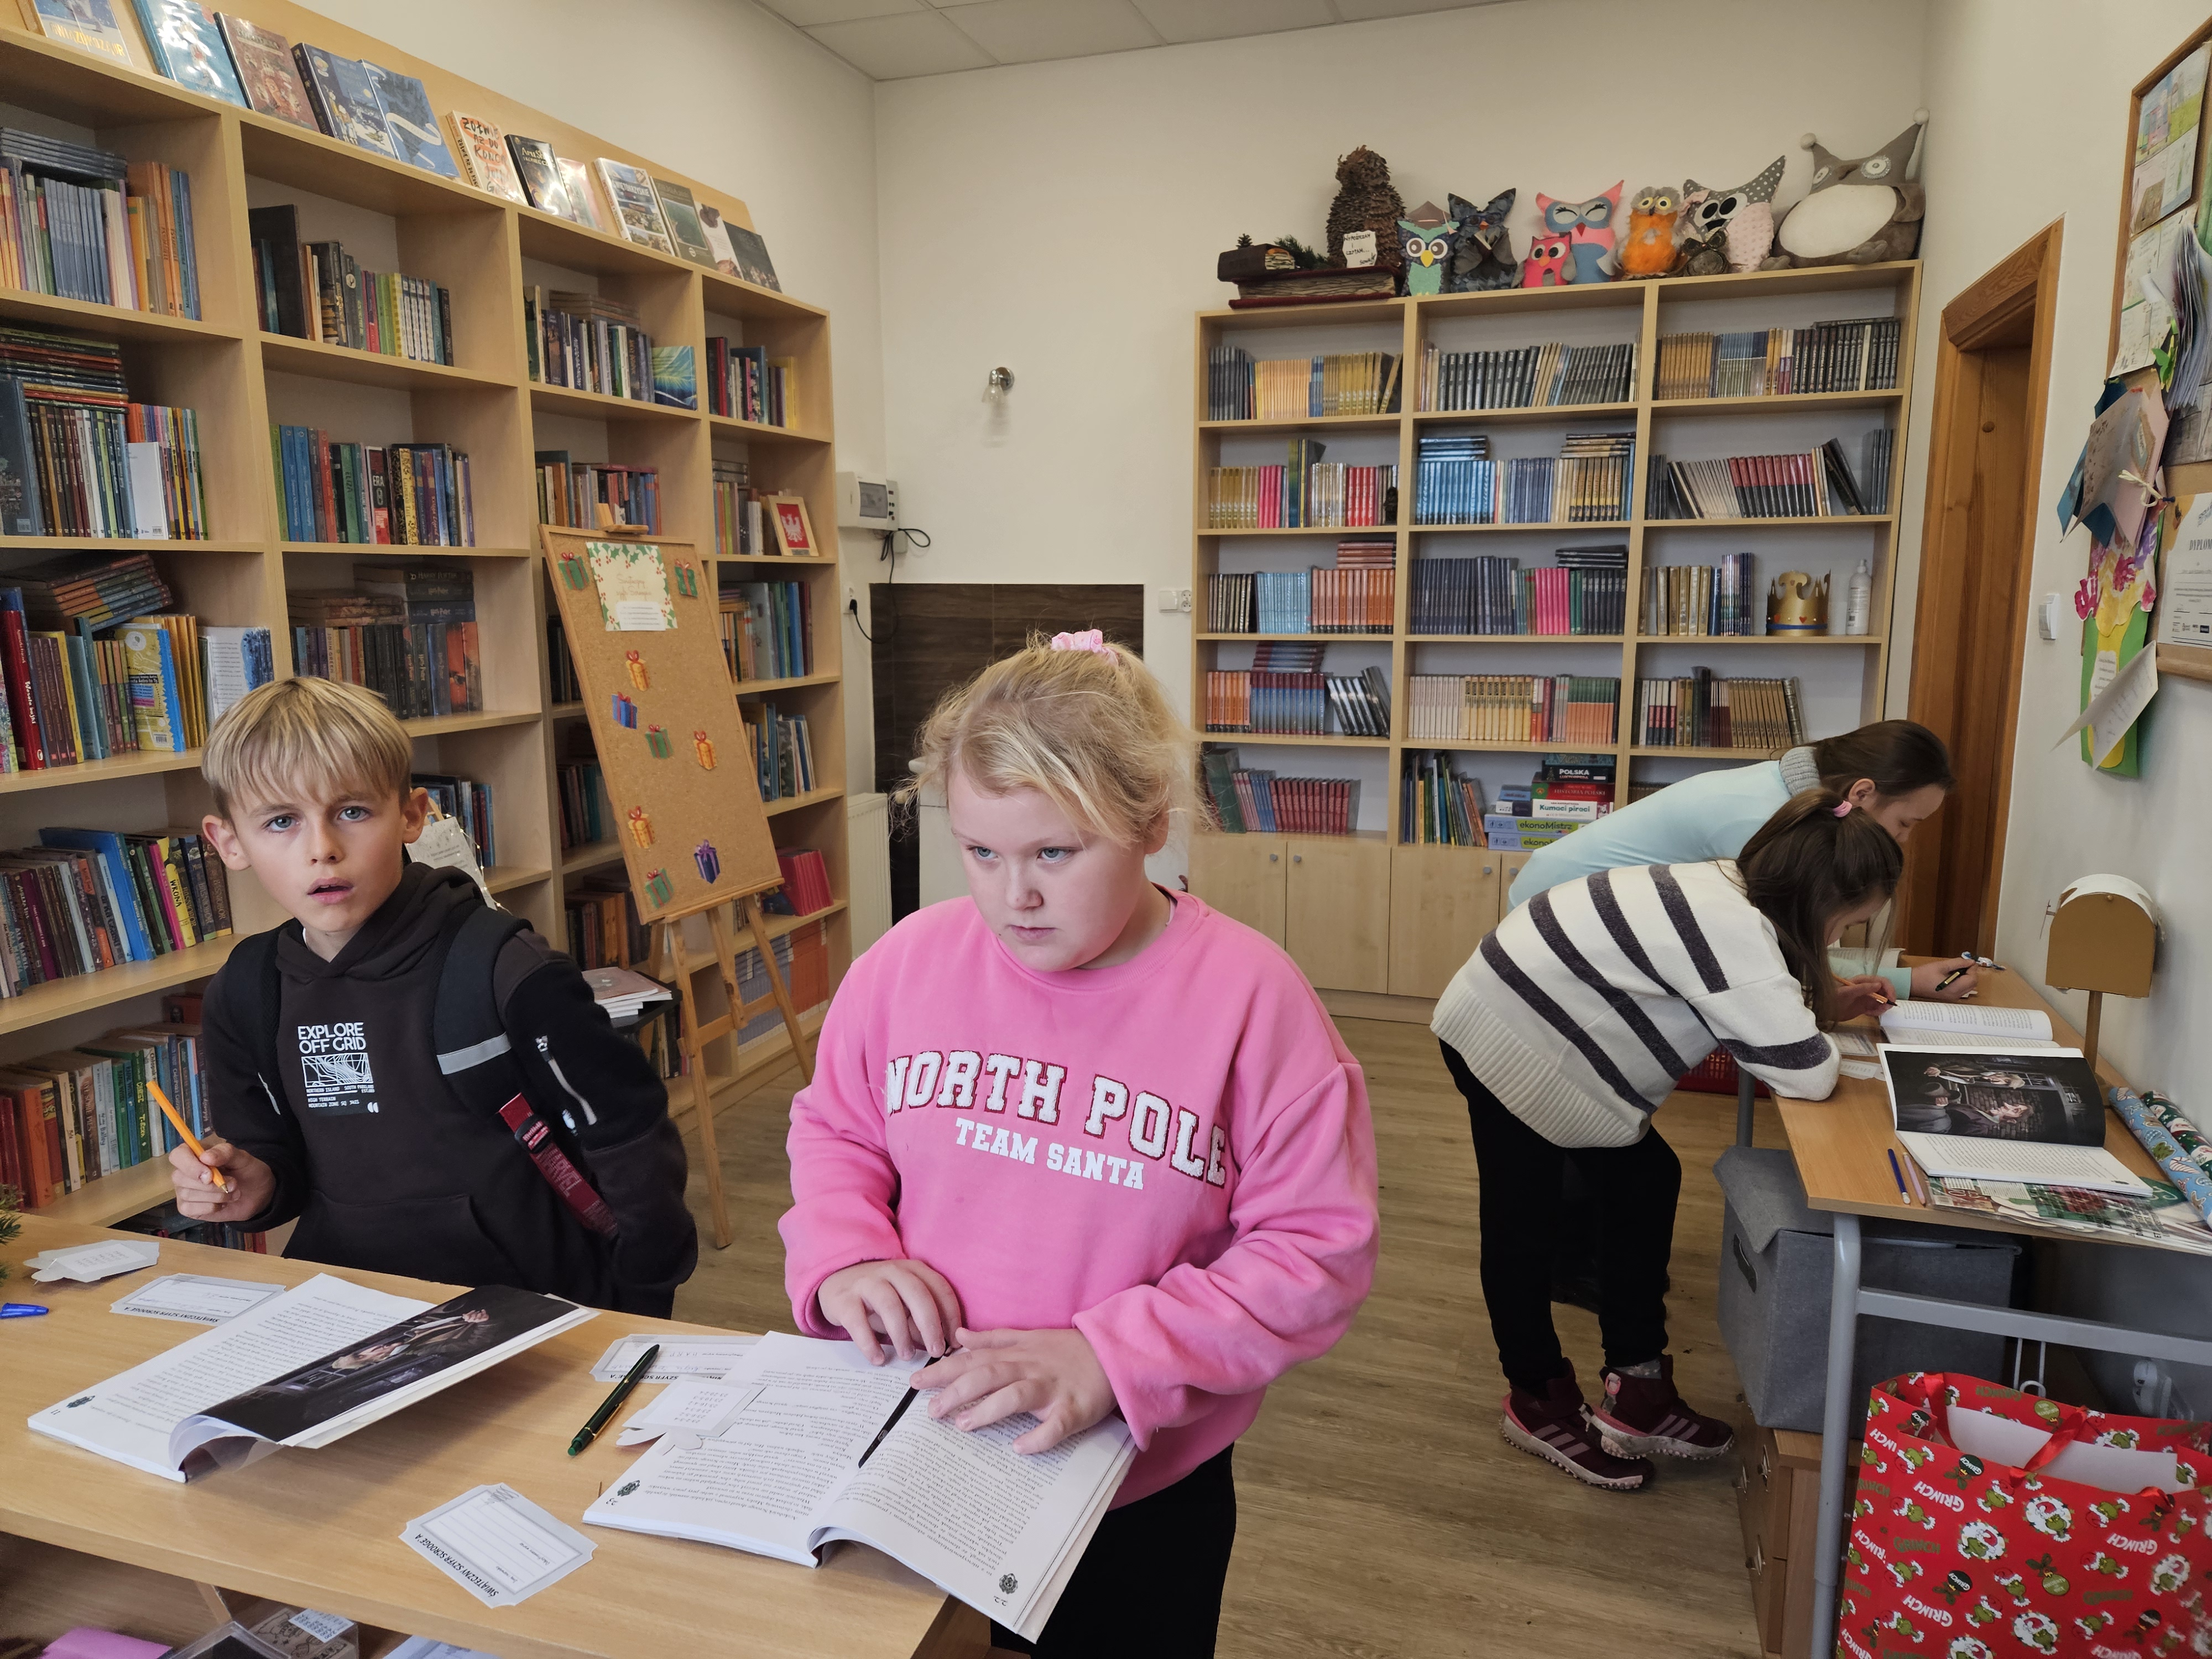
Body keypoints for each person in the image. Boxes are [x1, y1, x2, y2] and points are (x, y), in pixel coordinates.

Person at [779, 630, 1379, 1659]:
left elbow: (1315, 1252)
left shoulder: (1253, 999)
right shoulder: (905, 964)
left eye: (1054, 854)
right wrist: (846, 1256)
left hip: (1134, 1491)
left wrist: (1114, 1355)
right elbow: (836, 1128)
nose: (1013, 895)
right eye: (981, 852)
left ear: (1151, 825)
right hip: (915, 1436)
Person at [165, 677, 696, 1315]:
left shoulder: (505, 968)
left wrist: (642, 1291)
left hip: (538, 1306)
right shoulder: (247, 990)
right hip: (358, 1314)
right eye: (281, 822)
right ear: (229, 843)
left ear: (411, 815)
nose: (322, 850)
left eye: (352, 812)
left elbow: (626, 1131)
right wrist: (254, 1186)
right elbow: (274, 1157)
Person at [1434, 790, 1902, 1491]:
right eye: (1845, 922)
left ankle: (1639, 1385)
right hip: (1505, 1036)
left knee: (1646, 1177)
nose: (1836, 939)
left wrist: (1816, 1003)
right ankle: (1535, 1398)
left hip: (1526, 1014)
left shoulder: (1725, 883)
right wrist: (1815, 1018)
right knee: (1522, 1223)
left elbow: (1745, 1000)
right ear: (1816, 899)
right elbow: (1806, 1073)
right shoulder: (1736, 932)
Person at [1507, 719, 1976, 1013]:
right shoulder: (1765, 824)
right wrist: (1907, 980)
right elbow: (1769, 955)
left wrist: (1900, 974)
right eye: (1905, 824)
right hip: (1553, 916)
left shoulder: (1785, 796)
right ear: (1862, 793)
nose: (1903, 840)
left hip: (1567, 901)